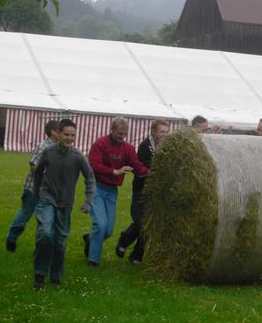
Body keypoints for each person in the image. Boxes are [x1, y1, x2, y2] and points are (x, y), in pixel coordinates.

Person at [32, 119, 95, 290]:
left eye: (72, 135)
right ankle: (39, 275)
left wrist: (88, 201)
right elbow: (37, 173)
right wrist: (37, 192)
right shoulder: (48, 152)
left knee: (60, 242)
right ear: (58, 133)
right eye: (66, 134)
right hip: (47, 198)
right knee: (45, 233)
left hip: (65, 203)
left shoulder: (78, 156)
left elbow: (90, 178)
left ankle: (55, 275)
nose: (69, 138)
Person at [83, 117, 150, 266]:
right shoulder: (100, 144)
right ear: (112, 130)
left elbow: (136, 165)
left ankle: (90, 238)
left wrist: (150, 173)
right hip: (96, 188)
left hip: (112, 190)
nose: (122, 137)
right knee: (100, 225)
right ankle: (93, 260)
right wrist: (115, 171)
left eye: (124, 134)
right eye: (119, 133)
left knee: (108, 230)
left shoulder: (128, 148)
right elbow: (93, 164)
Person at [116, 119, 170, 264]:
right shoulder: (145, 146)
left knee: (150, 224)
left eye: (166, 132)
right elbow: (141, 168)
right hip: (141, 191)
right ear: (153, 131)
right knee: (142, 223)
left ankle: (136, 255)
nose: (164, 135)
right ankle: (124, 240)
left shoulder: (169, 147)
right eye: (161, 132)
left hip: (157, 192)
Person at [6, 120, 59, 253]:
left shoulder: (57, 147)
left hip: (47, 191)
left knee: (44, 220)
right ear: (53, 132)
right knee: (25, 214)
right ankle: (12, 238)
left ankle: (39, 248)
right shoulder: (44, 146)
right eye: (60, 130)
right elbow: (33, 164)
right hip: (33, 189)